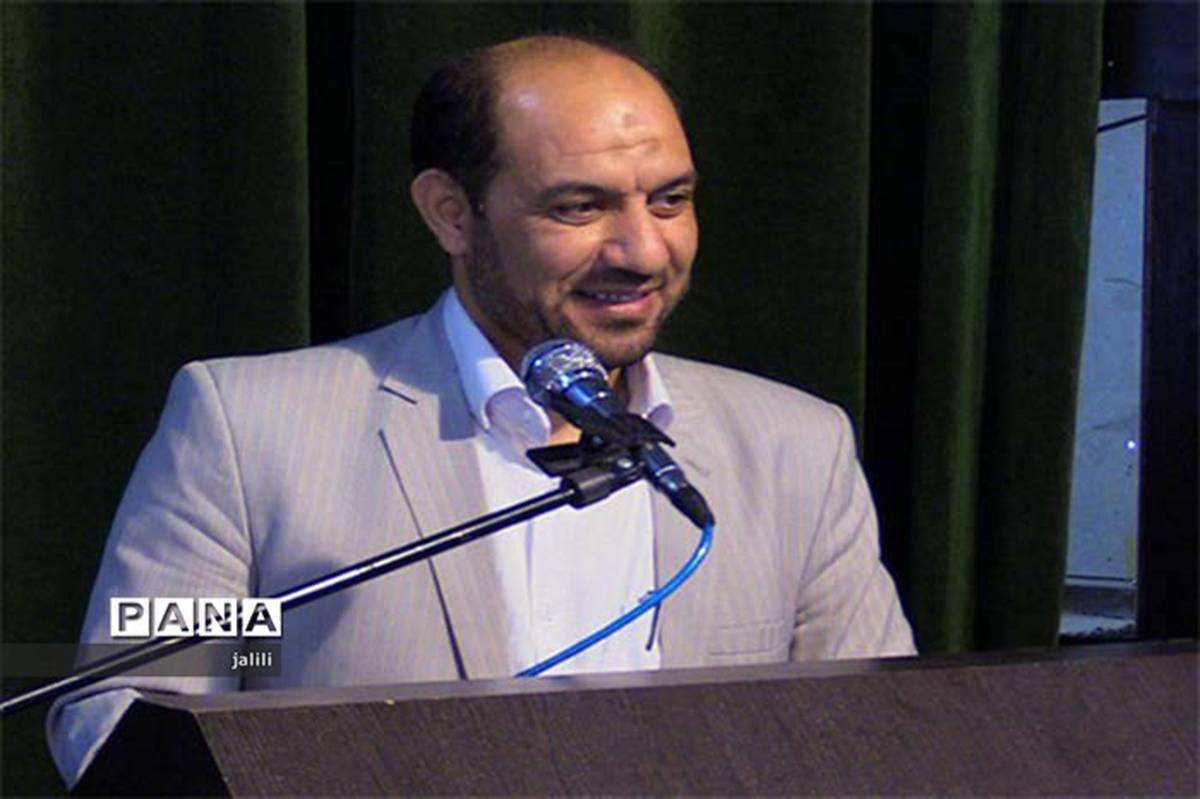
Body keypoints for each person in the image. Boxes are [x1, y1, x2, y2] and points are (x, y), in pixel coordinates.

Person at [47, 34, 914, 787]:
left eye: (670, 200)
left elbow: (881, 746)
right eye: (580, 206)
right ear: (451, 214)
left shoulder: (794, 448)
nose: (643, 249)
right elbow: (130, 710)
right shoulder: (254, 431)